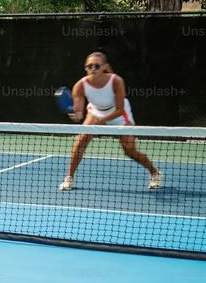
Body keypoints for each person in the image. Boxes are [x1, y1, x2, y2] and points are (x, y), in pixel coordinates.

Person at [59, 51, 163, 191]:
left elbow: (119, 110)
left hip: (119, 113)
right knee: (80, 142)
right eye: (89, 66)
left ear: (104, 67)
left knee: (129, 150)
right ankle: (69, 178)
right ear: (85, 68)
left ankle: (154, 172)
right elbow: (79, 113)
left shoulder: (116, 81)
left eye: (96, 66)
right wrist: (76, 116)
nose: (93, 69)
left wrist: (102, 121)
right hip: (96, 111)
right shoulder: (80, 86)